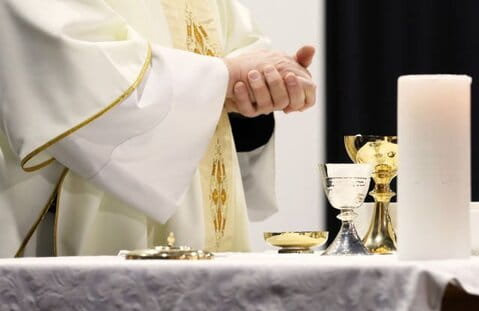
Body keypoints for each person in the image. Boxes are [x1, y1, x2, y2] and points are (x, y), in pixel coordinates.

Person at [0, 0, 317, 256]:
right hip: (86, 234)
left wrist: (262, 89)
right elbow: (73, 71)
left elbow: (240, 51)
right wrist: (225, 80)